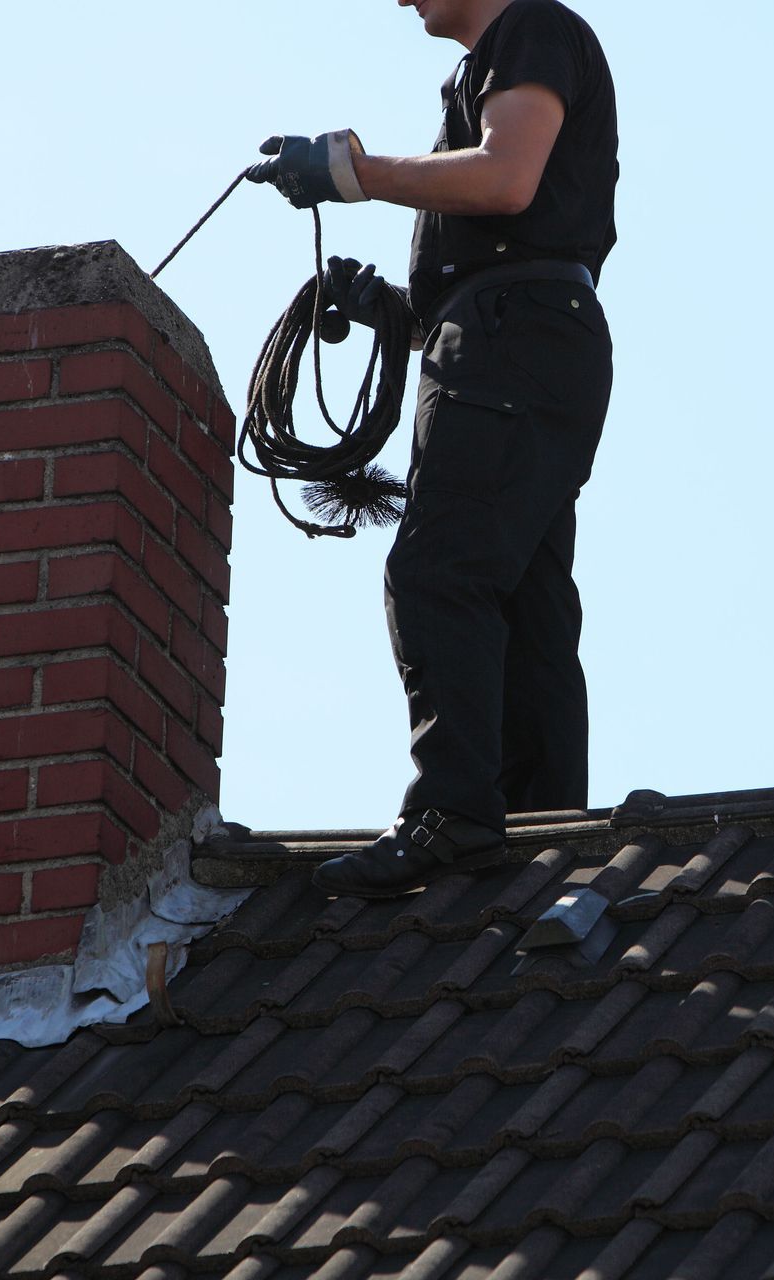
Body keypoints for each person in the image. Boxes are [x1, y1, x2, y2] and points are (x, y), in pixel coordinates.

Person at [247, 0, 618, 898]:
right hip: (522, 335)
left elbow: (505, 180)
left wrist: (352, 172)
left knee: (438, 570)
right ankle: (535, 828)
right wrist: (397, 314)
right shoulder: (498, 59)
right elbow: (508, 226)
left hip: (512, 337)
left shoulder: (528, 27)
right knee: (521, 594)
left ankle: (455, 812)